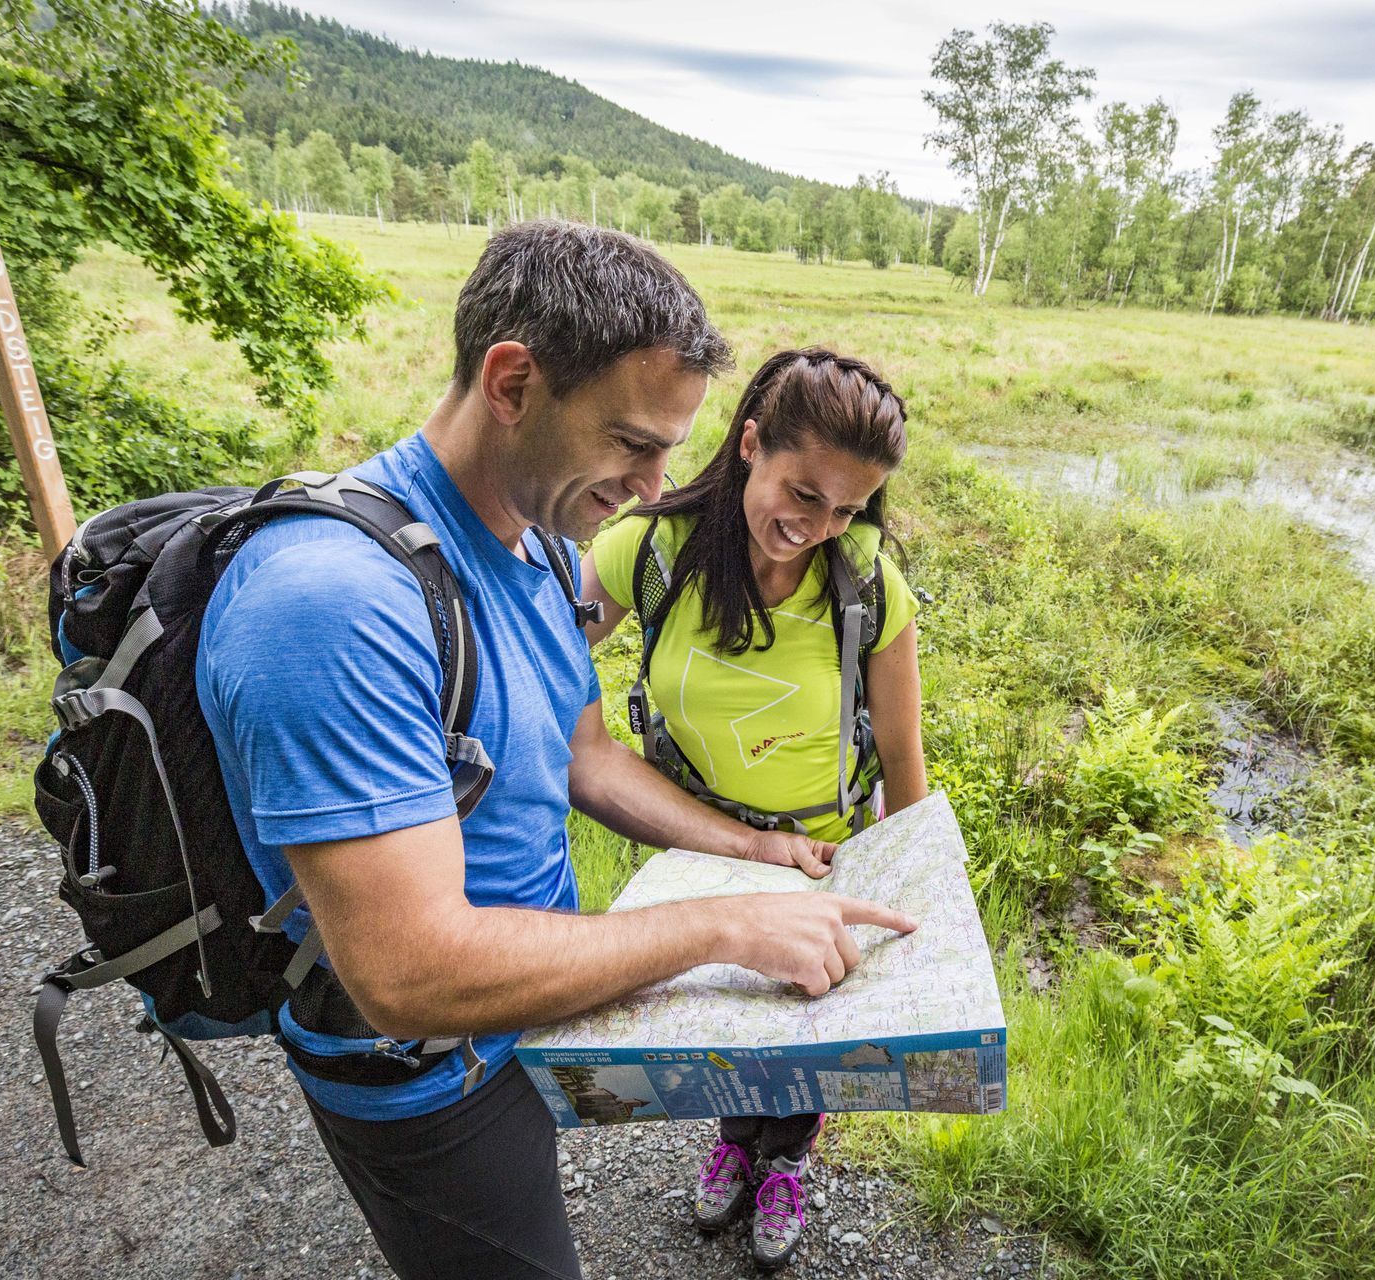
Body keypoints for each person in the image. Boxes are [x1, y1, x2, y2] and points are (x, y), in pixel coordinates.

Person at [196, 222, 915, 1280]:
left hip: (522, 1023)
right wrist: (722, 923)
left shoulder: (533, 548)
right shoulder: (334, 605)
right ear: (513, 381)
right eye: (632, 442)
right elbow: (406, 970)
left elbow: (586, 756)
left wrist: (752, 852)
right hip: (430, 1077)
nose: (656, 480)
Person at [580, 347, 927, 1269]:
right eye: (803, 493)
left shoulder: (865, 586)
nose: (817, 527)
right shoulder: (648, 550)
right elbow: (541, 663)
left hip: (821, 861)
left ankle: (785, 1159)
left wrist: (911, 881)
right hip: (695, 845)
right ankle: (736, 1142)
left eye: (849, 509)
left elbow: (903, 757)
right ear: (748, 446)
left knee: (802, 1020)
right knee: (721, 1014)